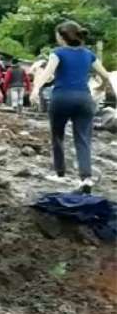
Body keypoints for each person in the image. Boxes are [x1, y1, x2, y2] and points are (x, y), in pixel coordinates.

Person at [31, 21, 112, 193]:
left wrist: (35, 89)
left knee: (57, 135)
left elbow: (47, 74)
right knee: (83, 139)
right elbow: (105, 75)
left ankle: (60, 173)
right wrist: (101, 86)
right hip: (84, 99)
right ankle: (86, 179)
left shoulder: (58, 53)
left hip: (62, 97)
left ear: (62, 37)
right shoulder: (88, 54)